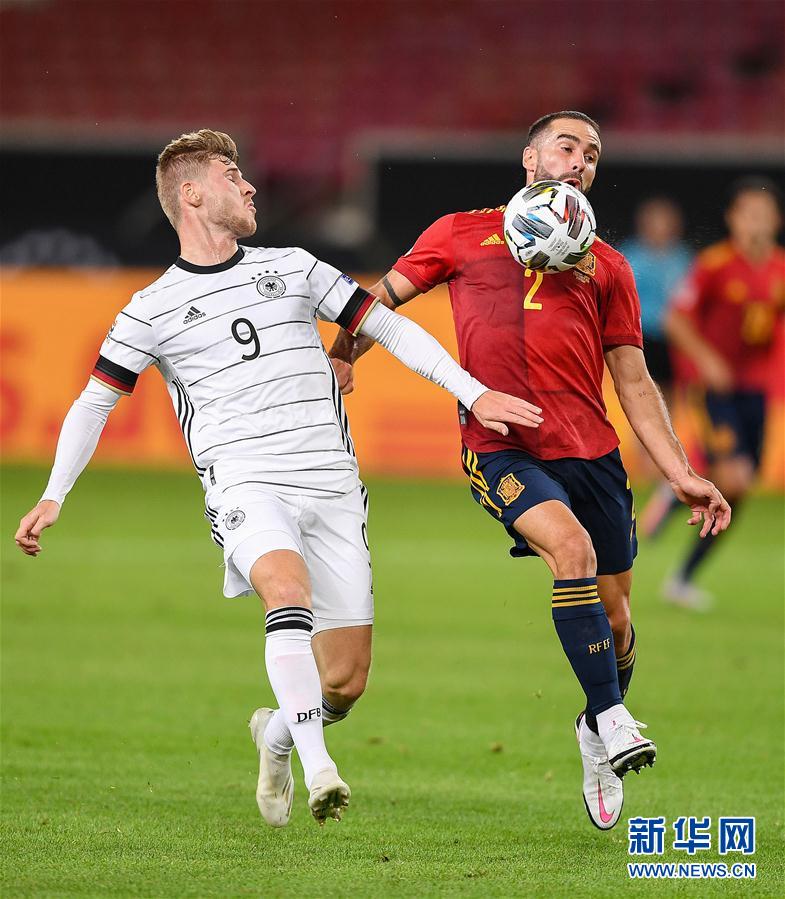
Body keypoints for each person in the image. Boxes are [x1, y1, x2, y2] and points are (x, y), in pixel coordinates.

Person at [13, 130, 540, 829]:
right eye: (232, 175)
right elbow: (94, 402)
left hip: (330, 483)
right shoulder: (150, 308)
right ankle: (320, 769)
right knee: (286, 593)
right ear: (191, 194)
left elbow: (388, 328)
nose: (250, 185)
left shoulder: (294, 266)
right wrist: (54, 493)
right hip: (245, 482)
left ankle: (278, 737)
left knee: (345, 681)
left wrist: (473, 392)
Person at [329, 111, 731, 831]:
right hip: (500, 448)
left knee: (618, 618)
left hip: (593, 455)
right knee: (570, 551)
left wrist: (680, 471)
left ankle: (592, 726)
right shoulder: (460, 233)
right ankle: (612, 717)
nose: (580, 161)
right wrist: (340, 354)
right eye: (567, 147)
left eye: (592, 154)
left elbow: (633, 379)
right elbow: (379, 301)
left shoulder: (607, 265)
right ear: (530, 158)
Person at [662, 177, 784, 609]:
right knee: (736, 478)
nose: (756, 222)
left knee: (741, 489)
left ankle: (682, 572)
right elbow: (676, 319)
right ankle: (680, 567)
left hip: (755, 392)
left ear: (776, 220)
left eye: (764, 214)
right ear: (732, 218)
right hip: (716, 390)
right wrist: (707, 359)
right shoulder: (714, 264)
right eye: (748, 214)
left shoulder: (779, 269)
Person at [621, 198, 693, 538]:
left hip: (672, 341)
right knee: (643, 400)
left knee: (669, 405)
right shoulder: (631, 256)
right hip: (641, 337)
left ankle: (664, 467)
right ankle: (648, 470)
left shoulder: (682, 258)